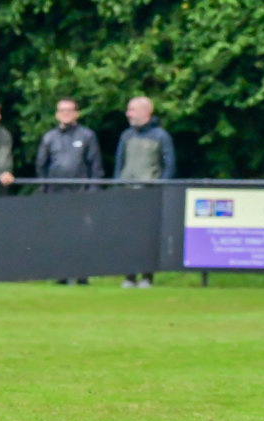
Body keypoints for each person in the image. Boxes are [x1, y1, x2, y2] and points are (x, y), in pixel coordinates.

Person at [35, 97, 104, 285]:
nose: (65, 113)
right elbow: (41, 166)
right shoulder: (49, 138)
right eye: (62, 110)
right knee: (59, 234)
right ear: (57, 114)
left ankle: (82, 274)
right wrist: (44, 190)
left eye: (69, 110)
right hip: (56, 194)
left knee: (81, 234)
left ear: (77, 113)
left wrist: (93, 190)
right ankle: (61, 274)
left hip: (80, 193)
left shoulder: (87, 136)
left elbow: (95, 166)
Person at [114, 96, 175, 288]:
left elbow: (169, 165)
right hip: (127, 193)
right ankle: (129, 276)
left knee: (148, 237)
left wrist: (160, 188)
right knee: (128, 236)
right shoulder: (126, 136)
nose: (128, 114)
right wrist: (117, 186)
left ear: (145, 112)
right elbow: (119, 164)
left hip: (149, 194)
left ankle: (147, 277)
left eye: (132, 110)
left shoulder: (161, 136)